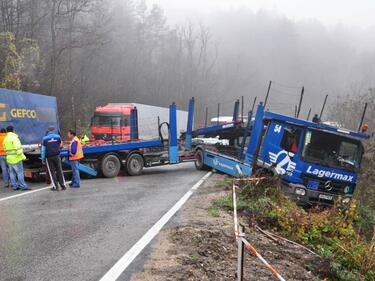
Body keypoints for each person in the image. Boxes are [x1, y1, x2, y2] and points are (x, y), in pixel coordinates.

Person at [3, 126, 30, 191]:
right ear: (13, 130)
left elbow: (4, 148)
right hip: (16, 158)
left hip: (9, 158)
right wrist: (23, 157)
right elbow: (18, 149)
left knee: (12, 173)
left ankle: (15, 186)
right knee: (19, 172)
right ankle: (23, 186)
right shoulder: (14, 138)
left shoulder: (5, 138)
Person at [42, 126, 66, 191]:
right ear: (53, 130)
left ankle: (55, 187)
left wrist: (43, 158)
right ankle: (63, 185)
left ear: (48, 130)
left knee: (52, 172)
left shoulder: (44, 138)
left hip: (49, 157)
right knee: (59, 170)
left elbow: (43, 150)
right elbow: (61, 145)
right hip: (57, 156)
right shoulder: (58, 137)